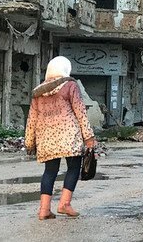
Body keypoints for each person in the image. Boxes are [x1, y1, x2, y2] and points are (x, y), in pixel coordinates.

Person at [25, 56, 95, 220]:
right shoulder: (70, 85)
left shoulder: (38, 91)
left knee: (49, 171)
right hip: (69, 134)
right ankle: (64, 203)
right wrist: (89, 137)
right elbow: (80, 112)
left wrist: (29, 142)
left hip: (46, 136)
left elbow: (32, 119)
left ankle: (44, 209)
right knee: (73, 168)